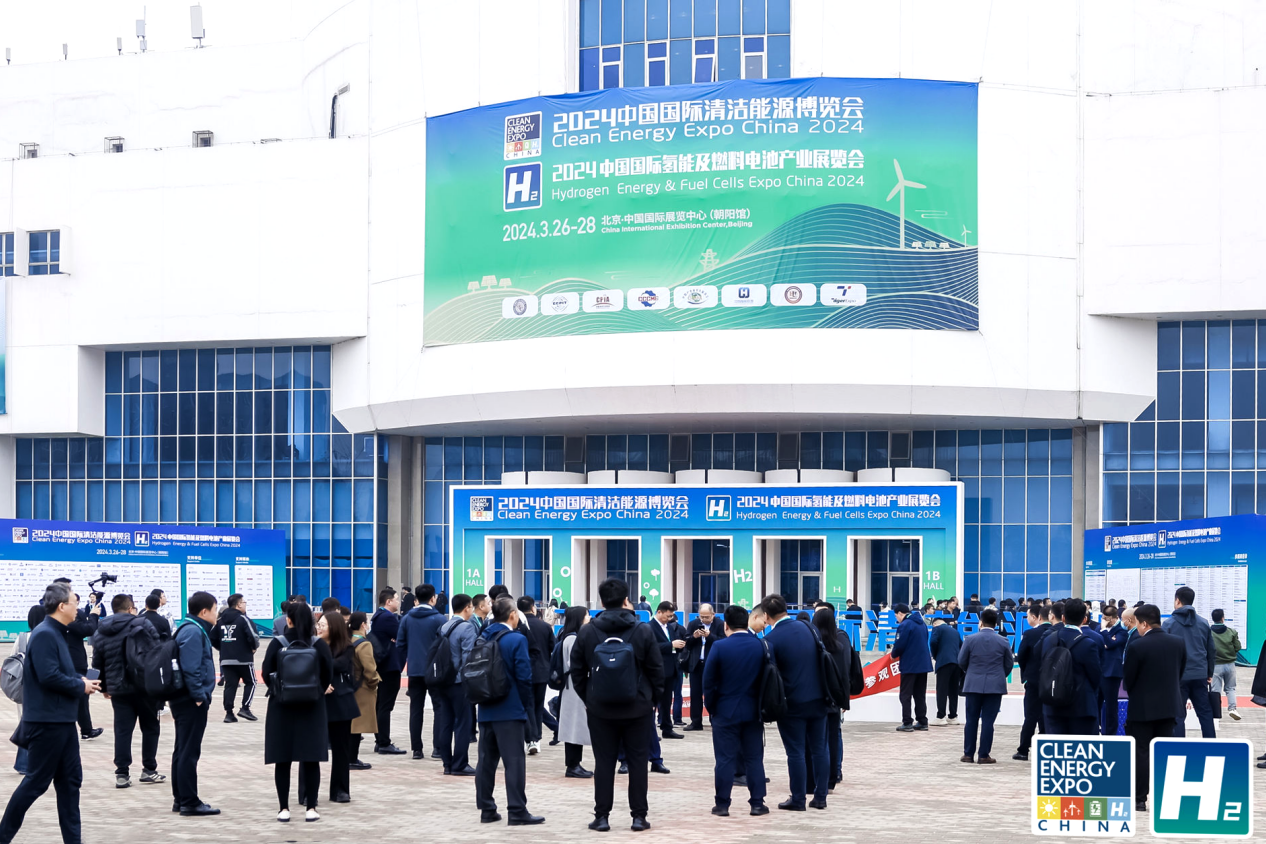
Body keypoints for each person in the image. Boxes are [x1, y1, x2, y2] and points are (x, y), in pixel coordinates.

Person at [0, 584, 100, 844]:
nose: (78, 608)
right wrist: (80, 686)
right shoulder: (45, 634)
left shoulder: (57, 633)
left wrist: (81, 679)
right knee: (36, 783)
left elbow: (57, 671)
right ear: (62, 606)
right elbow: (48, 676)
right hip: (47, 723)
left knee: (70, 783)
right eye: (74, 603)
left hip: (63, 721)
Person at [570, 578, 664, 832]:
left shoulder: (588, 631)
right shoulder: (642, 630)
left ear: (601, 601)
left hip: (600, 709)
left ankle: (601, 817)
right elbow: (657, 670)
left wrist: (589, 698)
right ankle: (639, 817)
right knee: (638, 761)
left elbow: (576, 671)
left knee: (604, 762)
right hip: (638, 708)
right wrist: (652, 701)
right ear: (626, 600)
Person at [474, 596, 544, 826]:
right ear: (513, 614)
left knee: (486, 761)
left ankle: (486, 809)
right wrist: (524, 704)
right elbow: (524, 677)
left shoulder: (483, 636)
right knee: (514, 761)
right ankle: (517, 810)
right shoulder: (516, 639)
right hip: (510, 709)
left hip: (485, 706)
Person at [262, 602, 333, 823]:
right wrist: (315, 691)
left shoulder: (278, 643)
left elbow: (266, 673)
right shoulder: (318, 644)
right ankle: (311, 807)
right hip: (312, 707)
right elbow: (327, 674)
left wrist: (280, 691)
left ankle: (283, 808)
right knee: (311, 758)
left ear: (289, 620)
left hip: (281, 708)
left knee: (282, 759)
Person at [760, 593, 829, 812]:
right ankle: (820, 797)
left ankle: (798, 799)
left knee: (796, 752)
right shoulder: (810, 628)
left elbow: (770, 675)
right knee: (820, 749)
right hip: (819, 699)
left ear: (766, 615)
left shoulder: (771, 640)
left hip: (792, 704)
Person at [90, 593, 164, 789]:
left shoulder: (102, 629)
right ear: (130, 608)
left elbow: (97, 662)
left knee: (122, 730)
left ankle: (122, 773)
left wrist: (104, 688)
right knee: (150, 727)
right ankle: (149, 769)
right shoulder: (143, 624)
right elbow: (157, 653)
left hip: (118, 688)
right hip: (145, 686)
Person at [702, 604, 768, 817]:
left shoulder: (719, 647)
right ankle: (757, 803)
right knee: (754, 759)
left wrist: (712, 708)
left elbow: (708, 682)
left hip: (724, 711)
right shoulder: (761, 646)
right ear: (747, 622)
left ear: (726, 625)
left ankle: (722, 804)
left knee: (724, 759)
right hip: (753, 712)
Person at [1123, 603, 1187, 812]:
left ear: (1143, 624)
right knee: (1163, 752)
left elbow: (1128, 680)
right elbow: (1180, 672)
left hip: (1142, 708)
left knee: (1141, 752)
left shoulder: (1137, 646)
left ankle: (1140, 799)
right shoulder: (1178, 643)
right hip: (1169, 706)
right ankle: (1163, 798)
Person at [167, 591, 219, 816]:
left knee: (183, 748)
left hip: (185, 698)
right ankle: (189, 801)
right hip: (189, 700)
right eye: (215, 610)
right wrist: (199, 696)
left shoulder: (190, 628)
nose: (217, 614)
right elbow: (191, 667)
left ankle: (181, 799)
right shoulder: (193, 631)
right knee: (188, 751)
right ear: (204, 611)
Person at [957, 607, 1014, 764]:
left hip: (973, 684)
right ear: (995, 624)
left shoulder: (970, 639)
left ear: (980, 622)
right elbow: (1009, 664)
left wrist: (971, 672)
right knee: (988, 721)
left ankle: (968, 754)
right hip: (994, 686)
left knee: (971, 720)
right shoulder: (1003, 641)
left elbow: (961, 661)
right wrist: (999, 675)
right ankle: (983, 755)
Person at [398, 583, 446, 760]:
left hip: (415, 670)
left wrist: (409, 660)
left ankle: (416, 749)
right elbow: (445, 645)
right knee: (439, 708)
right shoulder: (440, 619)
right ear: (433, 598)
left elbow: (400, 645)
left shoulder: (407, 619)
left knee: (415, 709)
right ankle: (438, 748)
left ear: (416, 599)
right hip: (435, 671)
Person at [1040, 599, 1102, 735]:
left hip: (1053, 704)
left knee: (1057, 746)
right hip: (1081, 707)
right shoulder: (1088, 644)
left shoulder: (1049, 640)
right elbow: (1095, 676)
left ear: (1063, 617)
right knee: (1081, 746)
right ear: (1084, 619)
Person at [1161, 586, 1216, 738]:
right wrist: (1209, 672)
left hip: (1178, 676)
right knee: (1205, 712)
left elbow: (1163, 652)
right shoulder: (1203, 623)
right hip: (1200, 673)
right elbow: (1211, 650)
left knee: (1178, 715)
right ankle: (1212, 744)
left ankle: (1179, 746)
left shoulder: (1168, 624)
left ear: (1177, 600)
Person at [316, 611, 359, 804]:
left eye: (323, 625)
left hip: (340, 703)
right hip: (316, 701)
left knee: (341, 749)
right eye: (318, 624)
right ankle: (307, 792)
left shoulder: (346, 647)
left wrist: (318, 666)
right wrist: (320, 683)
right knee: (310, 749)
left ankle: (340, 790)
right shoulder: (311, 645)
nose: (319, 628)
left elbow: (339, 665)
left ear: (334, 627)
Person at [812, 606, 857, 792]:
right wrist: (844, 698)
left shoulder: (814, 644)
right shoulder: (840, 644)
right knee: (833, 737)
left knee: (817, 740)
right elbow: (846, 671)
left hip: (817, 698)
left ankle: (821, 778)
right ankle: (832, 777)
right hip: (835, 698)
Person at [55, 580, 103, 742]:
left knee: (79, 698)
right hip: (73, 661)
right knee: (81, 697)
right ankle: (85, 730)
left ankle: (86, 729)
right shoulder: (66, 616)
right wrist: (93, 615)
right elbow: (88, 629)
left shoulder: (55, 615)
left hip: (71, 659)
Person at [434, 594, 477, 776]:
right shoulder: (467, 628)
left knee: (446, 722)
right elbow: (468, 657)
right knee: (463, 723)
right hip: (459, 682)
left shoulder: (444, 626)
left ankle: (447, 763)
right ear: (467, 607)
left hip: (442, 680)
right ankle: (460, 764)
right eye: (471, 607)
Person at [555, 606, 593, 779]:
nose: (589, 618)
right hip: (574, 687)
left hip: (572, 687)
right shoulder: (572, 639)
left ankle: (575, 764)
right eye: (586, 615)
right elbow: (574, 664)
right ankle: (572, 765)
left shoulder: (568, 636)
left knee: (574, 727)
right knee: (573, 728)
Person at [211, 593, 260, 724]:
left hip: (226, 659)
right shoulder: (243, 619)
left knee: (230, 685)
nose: (245, 604)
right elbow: (253, 636)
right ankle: (245, 708)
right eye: (244, 602)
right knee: (251, 682)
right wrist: (253, 648)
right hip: (244, 658)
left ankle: (229, 713)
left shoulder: (220, 621)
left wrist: (223, 648)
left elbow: (212, 637)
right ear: (238, 605)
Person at [516, 596, 556, 755]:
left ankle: (530, 738)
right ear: (533, 607)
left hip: (523, 671)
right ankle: (537, 738)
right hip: (542, 671)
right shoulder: (544, 626)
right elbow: (552, 647)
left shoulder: (518, 626)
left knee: (528, 705)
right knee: (539, 705)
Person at [1014, 604, 1053, 761]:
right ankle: (1046, 748)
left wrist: (1026, 674)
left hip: (1034, 681)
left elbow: (1021, 656)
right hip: (1053, 682)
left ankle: (1023, 750)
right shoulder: (1057, 632)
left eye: (1029, 616)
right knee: (1047, 715)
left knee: (1030, 716)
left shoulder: (1030, 634)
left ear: (1038, 617)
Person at [371, 588, 405, 755]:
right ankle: (384, 742)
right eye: (396, 599)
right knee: (385, 706)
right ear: (388, 602)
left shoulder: (378, 616)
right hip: (389, 666)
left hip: (383, 665)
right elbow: (401, 636)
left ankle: (380, 741)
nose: (399, 602)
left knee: (380, 705)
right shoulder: (387, 617)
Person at [891, 602, 933, 732]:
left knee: (905, 694)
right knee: (919, 694)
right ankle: (922, 721)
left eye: (896, 616)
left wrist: (893, 654)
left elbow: (900, 644)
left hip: (910, 664)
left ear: (900, 613)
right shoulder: (922, 624)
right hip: (923, 664)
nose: (897, 619)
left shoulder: (905, 625)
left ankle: (907, 722)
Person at [683, 603, 725, 732]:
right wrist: (694, 637)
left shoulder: (720, 624)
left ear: (713, 614)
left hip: (712, 664)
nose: (704, 619)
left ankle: (715, 720)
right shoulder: (693, 624)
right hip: (697, 664)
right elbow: (686, 642)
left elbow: (723, 641)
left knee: (712, 693)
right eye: (702, 616)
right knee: (695, 694)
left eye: (707, 617)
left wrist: (709, 636)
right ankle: (696, 722)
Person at [649, 601, 687, 739]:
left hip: (670, 669)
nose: (670, 618)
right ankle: (650, 731)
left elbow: (673, 645)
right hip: (656, 669)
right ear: (659, 612)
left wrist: (680, 645)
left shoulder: (670, 627)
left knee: (666, 701)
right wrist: (671, 644)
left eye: (671, 616)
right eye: (668, 616)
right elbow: (651, 646)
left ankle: (667, 728)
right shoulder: (649, 627)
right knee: (652, 702)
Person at [348, 611, 379, 770]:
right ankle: (352, 759)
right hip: (362, 688)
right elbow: (370, 669)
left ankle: (348, 758)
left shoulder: (347, 640)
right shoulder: (364, 644)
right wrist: (374, 683)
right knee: (357, 726)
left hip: (349, 686)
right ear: (362, 624)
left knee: (350, 725)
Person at [929, 615, 962, 727]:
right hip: (956, 663)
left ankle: (940, 716)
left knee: (942, 689)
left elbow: (933, 642)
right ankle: (953, 716)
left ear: (935, 624)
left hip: (944, 662)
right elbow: (961, 646)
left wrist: (936, 655)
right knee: (953, 690)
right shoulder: (955, 632)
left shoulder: (937, 629)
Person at [1098, 605, 1127, 735]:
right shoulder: (1098, 629)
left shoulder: (1121, 631)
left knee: (1111, 706)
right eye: (1103, 618)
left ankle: (1110, 734)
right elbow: (1100, 643)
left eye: (1107, 619)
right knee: (1096, 704)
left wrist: (1105, 632)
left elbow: (1110, 644)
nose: (1104, 621)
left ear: (1114, 618)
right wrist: (1107, 639)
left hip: (1112, 673)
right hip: (1099, 671)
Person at [1210, 609, 1242, 721]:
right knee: (1230, 688)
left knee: (1215, 690)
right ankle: (1232, 709)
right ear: (1222, 618)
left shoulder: (1208, 632)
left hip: (1215, 665)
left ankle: (1215, 712)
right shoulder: (1231, 632)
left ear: (1213, 618)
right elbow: (1238, 647)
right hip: (1230, 664)